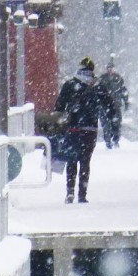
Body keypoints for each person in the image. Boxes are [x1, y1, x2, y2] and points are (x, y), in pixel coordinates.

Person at [53, 57, 116, 203]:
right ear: (92, 71)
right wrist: (111, 123)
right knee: (85, 162)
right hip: (90, 129)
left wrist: (59, 121)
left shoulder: (70, 84)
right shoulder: (98, 86)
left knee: (71, 160)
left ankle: (70, 192)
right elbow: (110, 106)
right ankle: (82, 194)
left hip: (73, 128)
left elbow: (59, 106)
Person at [98, 61, 129, 149]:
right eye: (108, 68)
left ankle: (115, 140)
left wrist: (126, 102)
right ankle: (108, 142)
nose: (110, 69)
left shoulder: (118, 78)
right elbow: (98, 91)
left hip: (116, 105)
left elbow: (123, 90)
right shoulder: (102, 79)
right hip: (104, 106)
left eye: (111, 68)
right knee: (106, 124)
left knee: (116, 124)